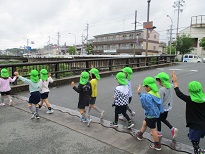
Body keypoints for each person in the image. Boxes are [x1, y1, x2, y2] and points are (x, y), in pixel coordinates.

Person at [172, 71, 205, 154]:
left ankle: (197, 151)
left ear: (189, 90)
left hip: (195, 126)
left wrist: (175, 81)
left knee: (195, 142)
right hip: (203, 124)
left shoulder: (189, 100)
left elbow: (179, 93)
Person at [136, 76, 164, 151]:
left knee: (153, 129)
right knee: (145, 123)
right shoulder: (156, 93)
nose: (144, 88)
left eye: (145, 86)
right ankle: (140, 134)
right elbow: (159, 104)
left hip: (151, 114)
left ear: (148, 86)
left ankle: (157, 144)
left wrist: (139, 93)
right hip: (155, 113)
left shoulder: (149, 95)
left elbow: (145, 104)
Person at [155, 72, 178, 139]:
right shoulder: (170, 86)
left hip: (162, 108)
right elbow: (173, 84)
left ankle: (168, 129)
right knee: (162, 119)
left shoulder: (161, 90)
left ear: (161, 81)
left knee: (159, 119)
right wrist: (173, 77)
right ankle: (169, 129)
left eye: (158, 80)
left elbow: (160, 101)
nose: (157, 82)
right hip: (168, 107)